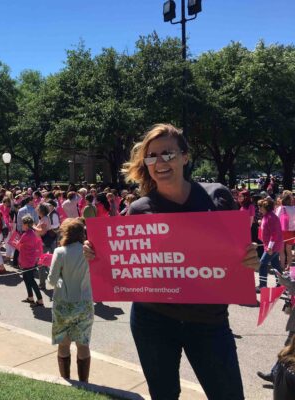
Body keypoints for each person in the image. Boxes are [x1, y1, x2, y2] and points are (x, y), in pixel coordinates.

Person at [84, 124, 259, 399]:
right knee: (164, 395)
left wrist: (250, 259)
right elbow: (125, 267)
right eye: (152, 156)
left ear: (186, 156)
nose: (160, 161)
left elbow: (237, 254)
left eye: (168, 153)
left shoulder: (217, 196)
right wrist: (98, 256)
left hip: (209, 322)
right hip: (153, 321)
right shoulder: (139, 209)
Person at [48, 218, 94, 383]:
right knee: (83, 345)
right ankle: (84, 383)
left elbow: (52, 281)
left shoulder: (60, 252)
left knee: (64, 343)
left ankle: (66, 380)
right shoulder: (89, 252)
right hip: (85, 303)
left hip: (63, 303)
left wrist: (60, 279)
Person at [258, 198, 283, 291]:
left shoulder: (271, 217)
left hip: (272, 247)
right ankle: (281, 284)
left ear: (266, 208)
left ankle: (262, 285)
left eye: (260, 207)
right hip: (272, 246)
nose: (259, 209)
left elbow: (274, 234)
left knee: (262, 264)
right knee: (276, 265)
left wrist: (269, 247)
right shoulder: (267, 216)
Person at [18, 215, 43, 307]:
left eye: (22, 224)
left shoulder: (26, 235)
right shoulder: (32, 233)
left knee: (31, 280)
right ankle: (30, 297)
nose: (21, 225)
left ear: (26, 225)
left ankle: (40, 300)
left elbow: (18, 244)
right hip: (29, 259)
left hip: (27, 260)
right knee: (26, 279)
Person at [275, 192, 295, 271]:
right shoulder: (293, 208)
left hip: (281, 231)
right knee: (289, 250)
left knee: (281, 251)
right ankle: (289, 267)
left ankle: (282, 266)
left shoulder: (281, 208)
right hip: (291, 231)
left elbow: (276, 218)